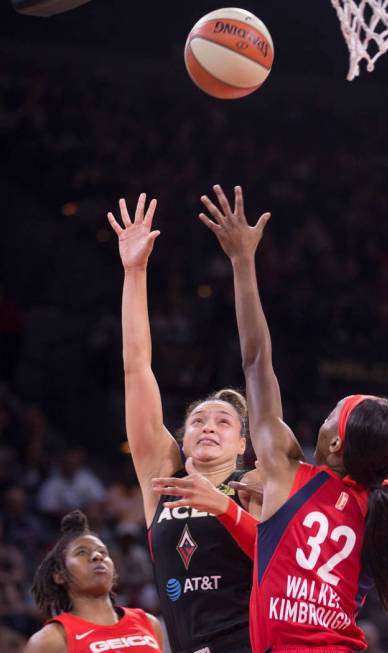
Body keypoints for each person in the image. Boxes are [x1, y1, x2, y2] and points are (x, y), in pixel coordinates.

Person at [194, 184, 388, 653]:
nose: (324, 416)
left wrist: (242, 261)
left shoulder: (285, 469)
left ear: (336, 444)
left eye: (333, 413)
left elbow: (256, 359)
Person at [107, 194, 261, 653]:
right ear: (183, 438)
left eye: (223, 422)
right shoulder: (162, 478)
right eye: (197, 420)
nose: (208, 426)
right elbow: (137, 367)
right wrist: (134, 274)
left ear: (242, 445)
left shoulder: (255, 484)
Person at [24, 510, 164, 653]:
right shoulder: (50, 640)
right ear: (59, 575)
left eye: (103, 552)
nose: (97, 556)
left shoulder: (149, 623)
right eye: (82, 552)